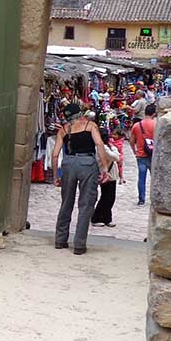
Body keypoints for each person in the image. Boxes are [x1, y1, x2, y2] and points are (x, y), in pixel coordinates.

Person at [52, 102, 108, 254]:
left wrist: (56, 176)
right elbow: (100, 145)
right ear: (80, 114)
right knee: (86, 204)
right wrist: (104, 168)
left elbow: (55, 154)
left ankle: (60, 239)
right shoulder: (90, 125)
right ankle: (79, 244)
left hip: (68, 164)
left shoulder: (63, 130)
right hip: (87, 164)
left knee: (66, 202)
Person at [91, 127, 122, 228]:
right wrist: (114, 149)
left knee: (109, 197)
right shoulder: (103, 147)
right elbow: (116, 157)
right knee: (106, 197)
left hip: (110, 175)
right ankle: (97, 217)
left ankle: (107, 217)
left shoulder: (104, 146)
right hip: (106, 174)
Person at [130, 105, 158, 206]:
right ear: (154, 113)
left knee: (141, 178)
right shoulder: (156, 124)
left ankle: (141, 199)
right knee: (155, 178)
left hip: (141, 155)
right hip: (153, 155)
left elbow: (132, 141)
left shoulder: (137, 125)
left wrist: (135, 151)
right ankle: (155, 198)